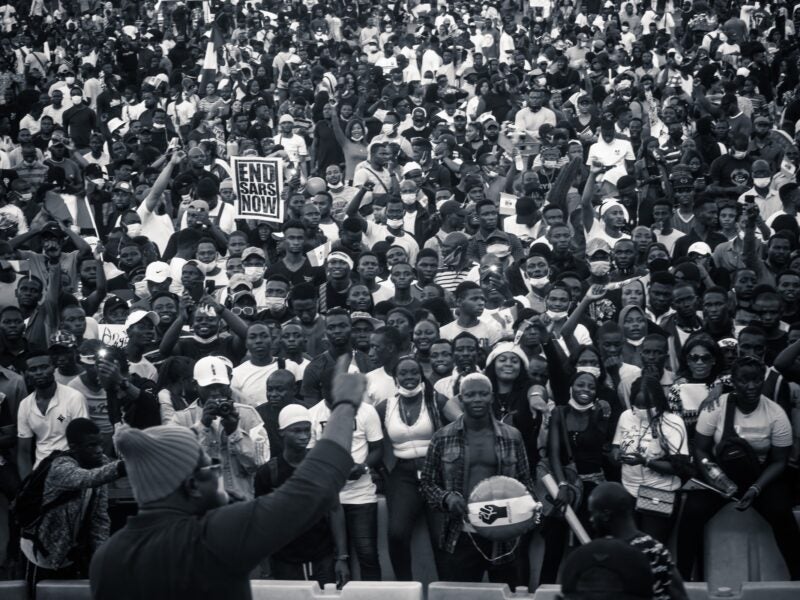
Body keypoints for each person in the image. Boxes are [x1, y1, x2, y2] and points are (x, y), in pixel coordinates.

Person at [90, 355, 367, 598]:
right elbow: (312, 489)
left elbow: (258, 459)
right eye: (209, 466)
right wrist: (343, 405)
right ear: (191, 485)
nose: (217, 472)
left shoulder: (106, 559)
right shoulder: (213, 537)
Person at [676, 356, 800, 580]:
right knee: (692, 513)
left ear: (762, 381)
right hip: (721, 477)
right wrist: (717, 478)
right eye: (743, 381)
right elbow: (700, 449)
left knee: (782, 512)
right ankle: (684, 579)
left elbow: (780, 461)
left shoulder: (776, 414)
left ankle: (797, 577)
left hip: (759, 477)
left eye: (756, 380)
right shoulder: (716, 406)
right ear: (733, 381)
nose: (750, 386)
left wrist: (756, 488)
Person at [420, 373, 535, 587]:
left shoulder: (512, 436)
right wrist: (447, 498)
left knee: (504, 594)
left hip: (503, 534)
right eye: (470, 395)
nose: (477, 399)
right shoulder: (442, 437)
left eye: (482, 394)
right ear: (460, 399)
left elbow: (526, 484)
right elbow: (427, 483)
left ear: (491, 397)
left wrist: (518, 513)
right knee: (461, 595)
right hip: (461, 533)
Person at [21, 418, 125, 593]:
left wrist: (101, 559)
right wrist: (125, 466)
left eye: (100, 444)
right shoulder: (60, 467)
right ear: (74, 447)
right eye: (91, 446)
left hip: (69, 554)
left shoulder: (99, 464)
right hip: (41, 554)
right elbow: (88, 478)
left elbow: (99, 519)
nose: (99, 451)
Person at [254, 404, 349, 588]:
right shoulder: (269, 472)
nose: (303, 436)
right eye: (296, 431)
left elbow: (335, 510)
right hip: (285, 559)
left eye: (307, 430)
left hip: (322, 556)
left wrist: (342, 558)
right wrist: (266, 569)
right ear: (282, 432)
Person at [375, 356, 447, 581]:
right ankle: (404, 586)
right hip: (403, 474)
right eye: (404, 373)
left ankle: (446, 589)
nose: (409, 378)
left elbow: (462, 420)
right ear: (395, 378)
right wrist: (378, 470)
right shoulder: (385, 406)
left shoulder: (435, 400)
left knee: (442, 537)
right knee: (396, 533)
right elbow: (369, 436)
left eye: (414, 372)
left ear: (421, 375)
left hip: (435, 473)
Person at [612, 376, 690, 543]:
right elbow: (616, 445)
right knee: (629, 545)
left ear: (660, 401)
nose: (642, 410)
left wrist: (646, 462)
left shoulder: (673, 423)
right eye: (638, 405)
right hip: (629, 489)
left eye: (647, 406)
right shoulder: (626, 416)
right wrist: (616, 453)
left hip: (658, 490)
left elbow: (679, 467)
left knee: (650, 545)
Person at [587, 482, 688, 600]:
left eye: (593, 513)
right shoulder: (657, 550)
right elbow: (681, 595)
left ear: (606, 515)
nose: (591, 519)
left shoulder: (603, 555)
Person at [17, 352, 89, 478]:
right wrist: (27, 485)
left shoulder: (74, 398)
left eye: (44, 367)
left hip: (72, 470)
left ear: (54, 368)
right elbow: (23, 451)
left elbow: (83, 442)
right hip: (40, 473)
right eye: (33, 369)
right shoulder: (25, 405)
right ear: (26, 374)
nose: (39, 372)